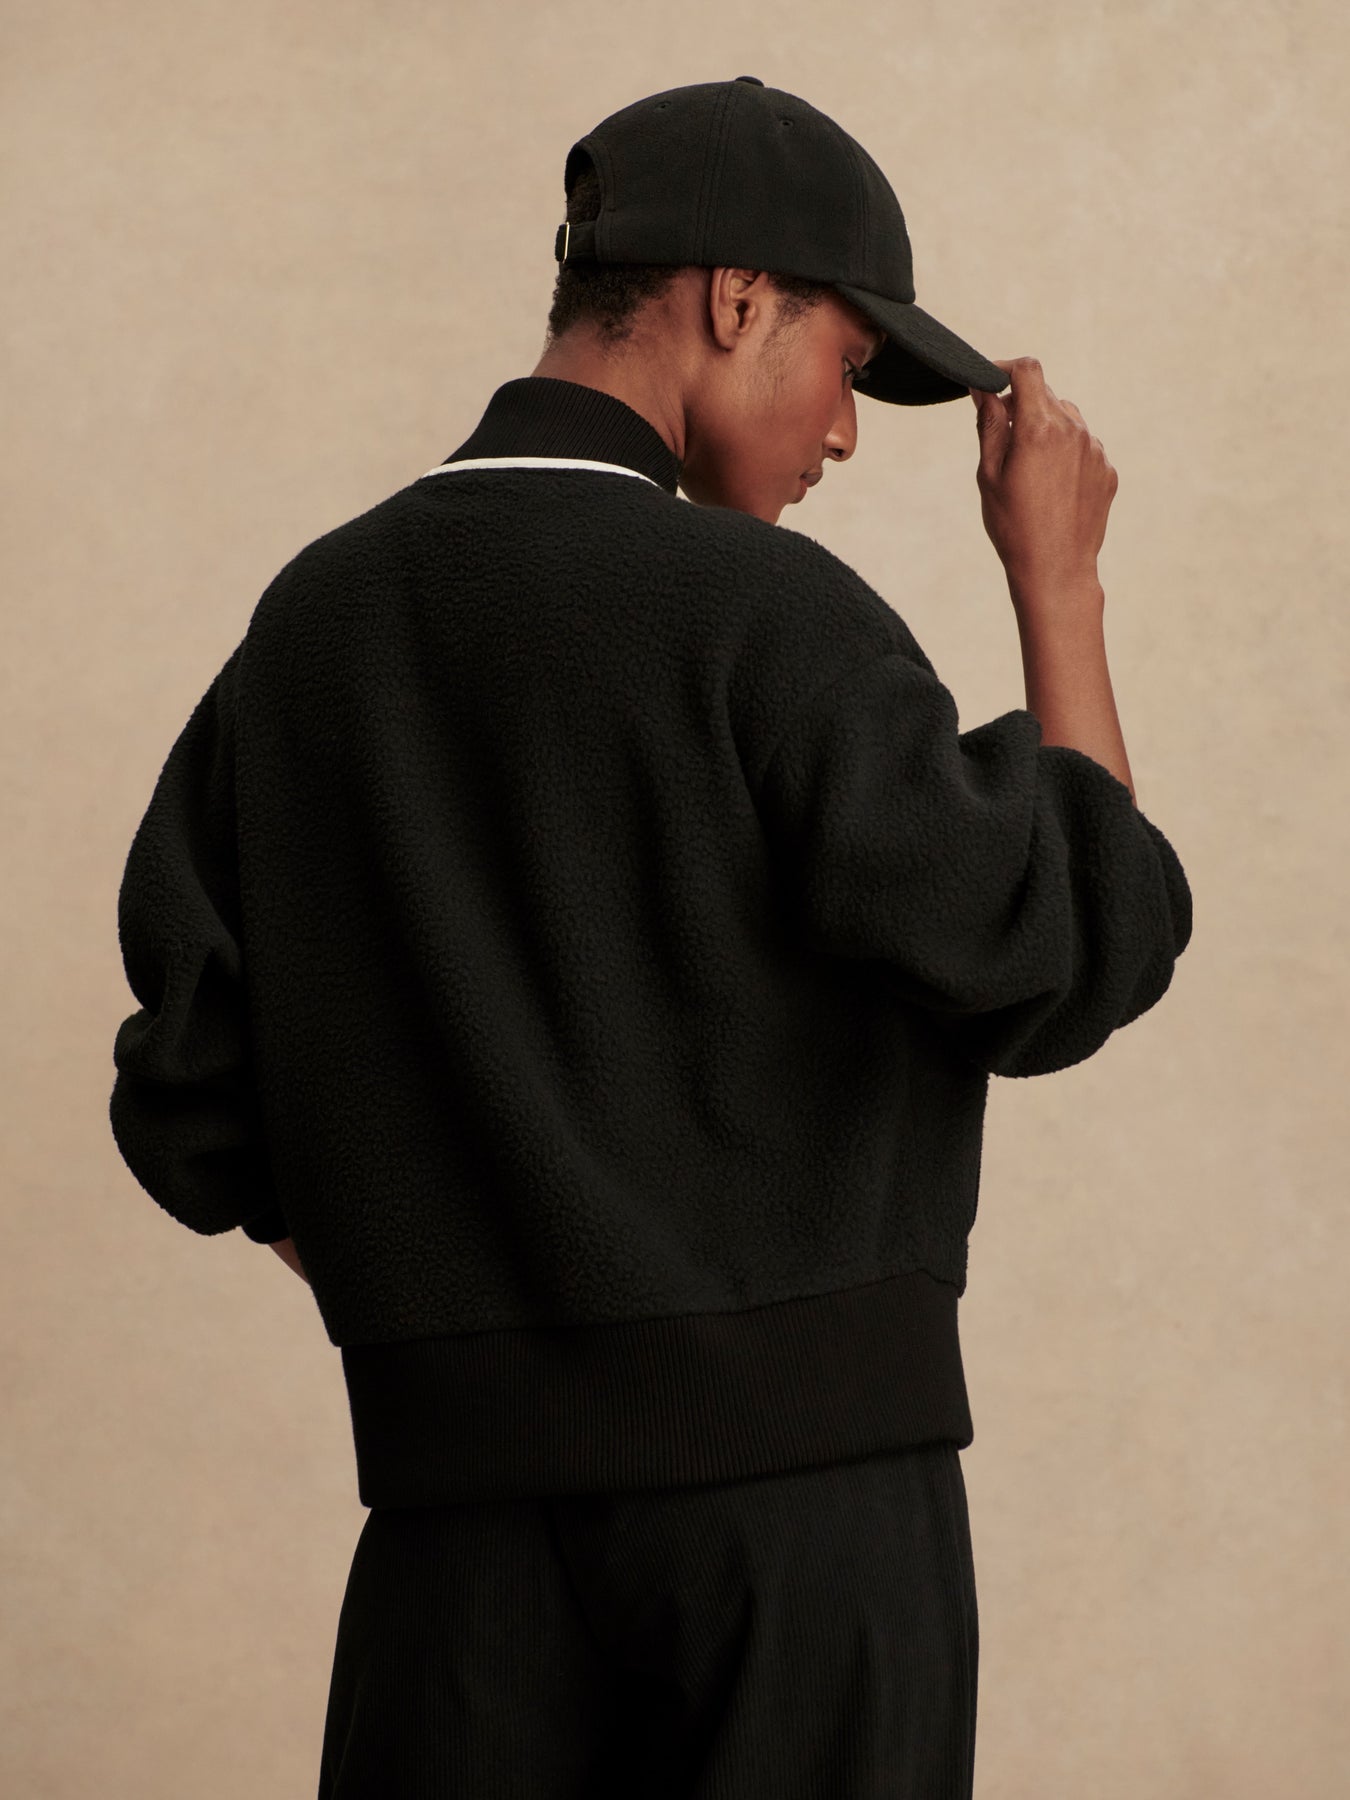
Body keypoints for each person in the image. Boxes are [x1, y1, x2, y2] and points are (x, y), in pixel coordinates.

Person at [109, 77, 1192, 1798]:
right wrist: (1056, 582)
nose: (846, 435)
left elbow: (191, 1093)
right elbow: (1063, 945)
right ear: (736, 298)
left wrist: (470, 1307)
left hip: (452, 1554)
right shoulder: (767, 618)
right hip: (804, 1532)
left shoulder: (313, 624)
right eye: (849, 363)